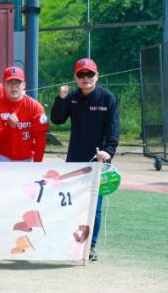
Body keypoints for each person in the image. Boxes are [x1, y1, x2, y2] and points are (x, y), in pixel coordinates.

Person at [51, 57, 119, 262]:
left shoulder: (108, 98)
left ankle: (90, 246)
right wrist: (61, 98)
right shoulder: (72, 97)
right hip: (75, 161)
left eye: (90, 74)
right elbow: (57, 119)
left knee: (94, 206)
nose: (86, 78)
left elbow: (113, 129)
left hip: (98, 162)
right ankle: (70, 243)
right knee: (71, 204)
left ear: (97, 76)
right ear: (75, 77)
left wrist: (108, 151)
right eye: (81, 74)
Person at [0, 66, 49, 162]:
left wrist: (38, 163)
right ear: (4, 85)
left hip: (25, 158)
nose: (14, 86)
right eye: (10, 83)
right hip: (1, 157)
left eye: (17, 83)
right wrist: (9, 127)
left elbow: (41, 138)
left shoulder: (36, 107)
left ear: (24, 85)